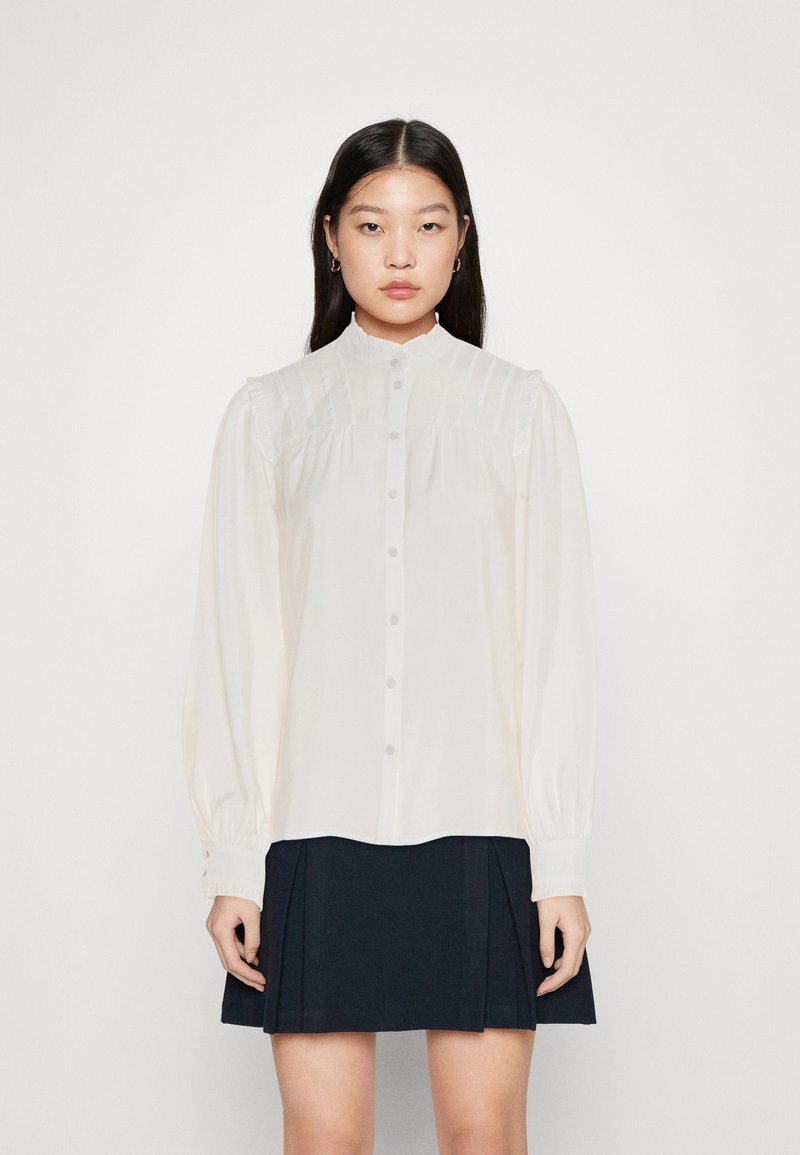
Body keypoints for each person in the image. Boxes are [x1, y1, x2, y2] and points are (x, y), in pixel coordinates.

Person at [182, 117, 598, 1154]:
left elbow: (555, 646)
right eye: (372, 225)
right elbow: (239, 644)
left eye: (428, 224)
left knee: (484, 1137)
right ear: (332, 237)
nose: (400, 253)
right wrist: (235, 854)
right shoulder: (270, 415)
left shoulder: (520, 411)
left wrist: (558, 860)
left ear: (463, 238)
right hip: (315, 830)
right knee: (323, 1140)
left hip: (483, 826)